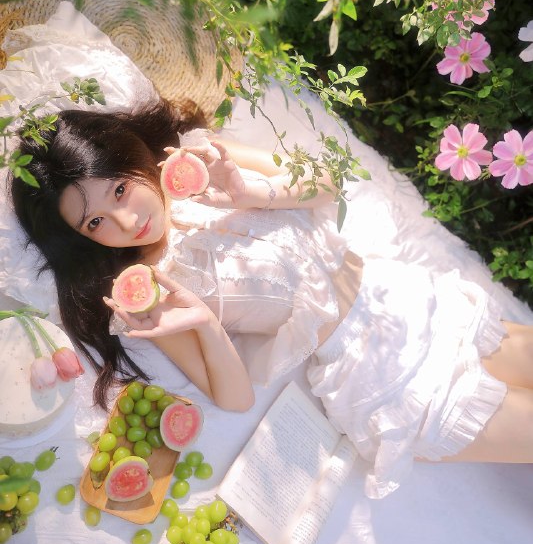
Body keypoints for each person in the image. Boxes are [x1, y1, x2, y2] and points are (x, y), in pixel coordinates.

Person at [9, 95, 533, 499]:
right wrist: (205, 324)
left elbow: (328, 184)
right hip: (380, 382)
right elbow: (233, 398)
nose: (125, 221)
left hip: (407, 299)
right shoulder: (149, 292)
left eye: (120, 190)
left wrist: (249, 192)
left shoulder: (202, 157)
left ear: (131, 156)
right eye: (95, 222)